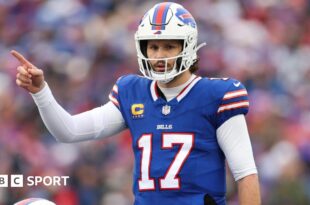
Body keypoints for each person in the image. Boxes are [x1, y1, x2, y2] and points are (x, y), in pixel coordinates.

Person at [12, 2, 261, 205]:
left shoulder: (217, 95)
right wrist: (40, 92)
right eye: (153, 47)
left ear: (188, 47)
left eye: (169, 46)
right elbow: (69, 131)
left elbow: (246, 175)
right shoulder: (132, 92)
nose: (160, 55)